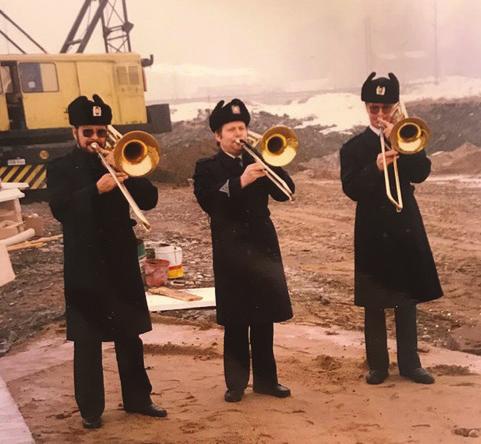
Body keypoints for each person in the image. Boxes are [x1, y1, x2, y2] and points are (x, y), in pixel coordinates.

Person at [47, 94, 166, 429]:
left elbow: (149, 200)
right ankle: (91, 410)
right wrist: (96, 189)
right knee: (87, 339)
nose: (96, 139)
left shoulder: (117, 161)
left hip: (119, 258)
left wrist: (125, 169)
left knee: (129, 333)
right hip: (84, 261)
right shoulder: (59, 167)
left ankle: (138, 400)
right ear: (75, 133)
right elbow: (59, 209)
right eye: (88, 132)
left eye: (101, 131)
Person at [340, 73, 443, 385]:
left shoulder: (407, 135)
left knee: (407, 296)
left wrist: (403, 143)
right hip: (372, 225)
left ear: (396, 106)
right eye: (374, 108)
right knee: (374, 300)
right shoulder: (354, 147)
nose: (380, 115)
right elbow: (351, 188)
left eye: (386, 107)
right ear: (365, 108)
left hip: (404, 222)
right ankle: (378, 366)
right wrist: (375, 168)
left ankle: (411, 365)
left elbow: (421, 173)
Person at [193, 99, 294, 402]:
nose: (239, 133)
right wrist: (241, 180)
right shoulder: (207, 168)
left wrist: (271, 161)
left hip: (262, 244)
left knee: (264, 318)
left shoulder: (259, 158)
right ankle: (235, 383)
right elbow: (210, 202)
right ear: (217, 135)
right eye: (231, 129)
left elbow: (286, 192)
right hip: (231, 248)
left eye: (242, 127)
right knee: (237, 319)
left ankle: (266, 381)